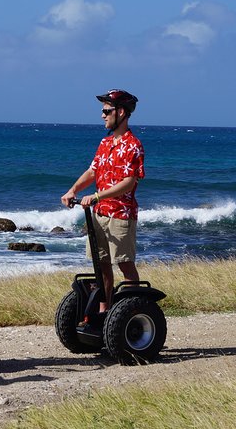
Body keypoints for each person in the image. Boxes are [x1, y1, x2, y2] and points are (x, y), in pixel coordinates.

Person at [61, 89, 144, 312]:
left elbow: (128, 182)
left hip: (121, 215)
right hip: (100, 213)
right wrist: (72, 190)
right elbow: (92, 172)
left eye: (107, 111)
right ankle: (104, 313)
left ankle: (131, 311)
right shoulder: (105, 144)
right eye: (103, 111)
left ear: (122, 112)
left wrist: (96, 196)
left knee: (125, 264)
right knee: (101, 266)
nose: (102, 115)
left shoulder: (133, 145)